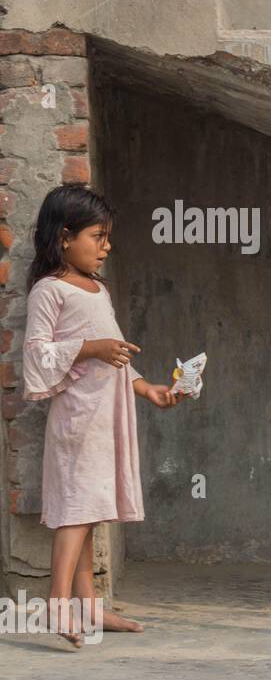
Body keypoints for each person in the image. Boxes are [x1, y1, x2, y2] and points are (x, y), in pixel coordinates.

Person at [22, 185, 184, 647]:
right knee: (75, 510)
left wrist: (147, 387)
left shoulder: (97, 289)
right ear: (64, 237)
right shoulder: (49, 291)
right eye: (98, 236)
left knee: (90, 510)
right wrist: (90, 348)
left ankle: (90, 608)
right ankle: (57, 603)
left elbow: (115, 355)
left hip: (106, 416)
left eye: (108, 237)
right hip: (78, 419)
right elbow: (36, 356)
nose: (107, 246)